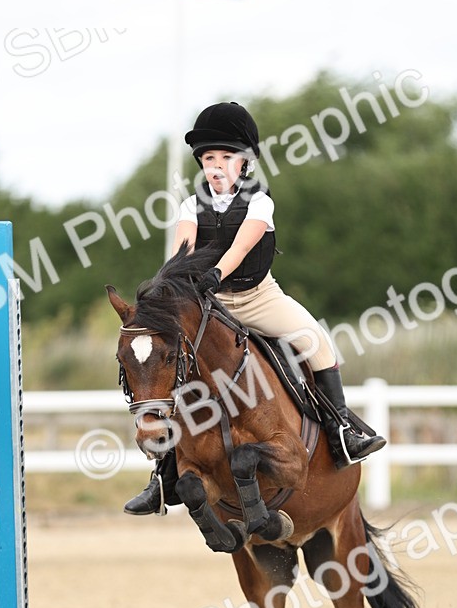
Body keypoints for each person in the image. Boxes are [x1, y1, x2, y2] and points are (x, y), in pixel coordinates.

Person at [124, 101, 385, 515]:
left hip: (258, 298)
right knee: (171, 366)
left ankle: (342, 429)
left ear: (244, 163)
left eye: (226, 157)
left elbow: (243, 244)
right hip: (211, 306)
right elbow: (181, 250)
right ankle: (163, 476)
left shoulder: (260, 202)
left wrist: (216, 273)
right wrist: (169, 286)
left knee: (316, 342)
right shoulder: (191, 206)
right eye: (209, 158)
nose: (216, 166)